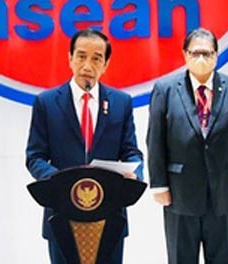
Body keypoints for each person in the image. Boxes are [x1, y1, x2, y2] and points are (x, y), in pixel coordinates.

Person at [25, 28, 144, 264]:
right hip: (62, 213)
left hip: (109, 216)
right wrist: (62, 181)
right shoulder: (46, 102)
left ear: (106, 64)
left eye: (96, 58)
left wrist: (135, 173)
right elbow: (35, 157)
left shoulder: (121, 102)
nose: (87, 65)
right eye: (81, 56)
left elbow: (131, 151)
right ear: (70, 58)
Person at [146, 27, 228, 264]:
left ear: (216, 55)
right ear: (185, 54)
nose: (201, 59)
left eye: (207, 53)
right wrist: (159, 184)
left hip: (224, 192)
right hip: (179, 193)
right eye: (195, 53)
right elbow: (155, 140)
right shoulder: (165, 89)